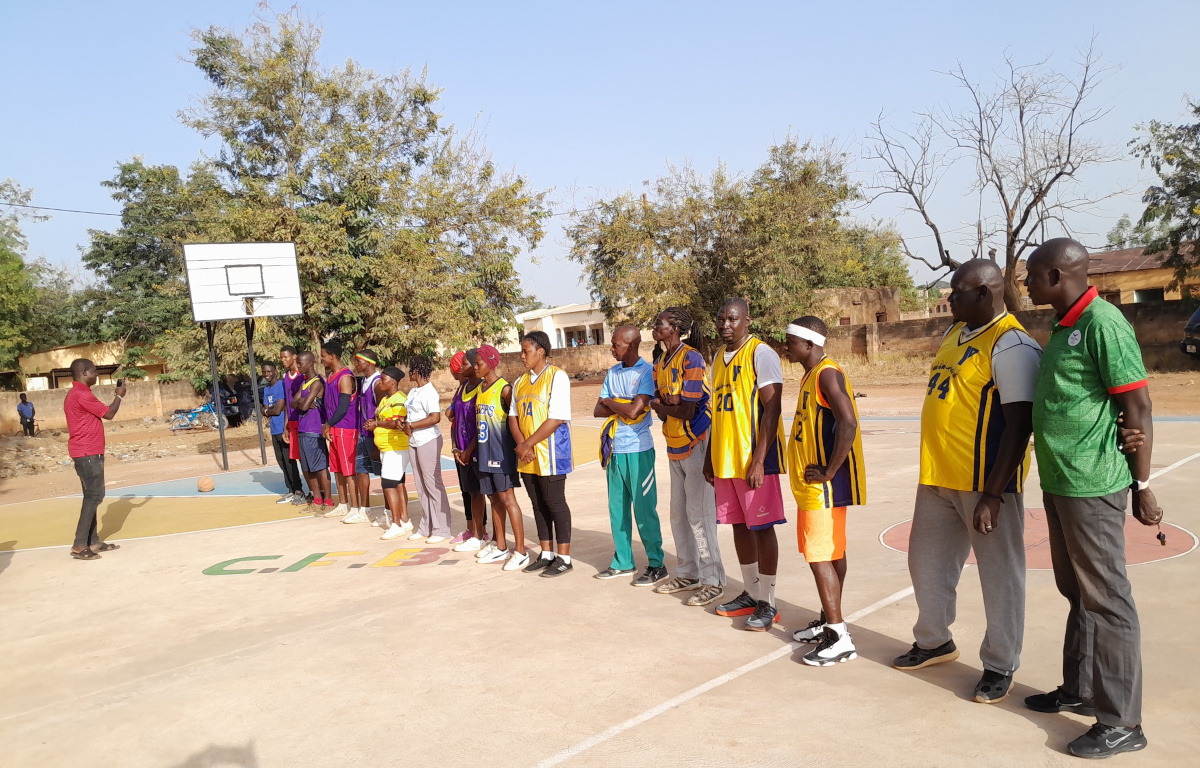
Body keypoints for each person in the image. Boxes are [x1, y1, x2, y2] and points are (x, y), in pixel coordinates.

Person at [1023, 238, 1163, 759]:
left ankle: (1123, 722)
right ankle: (1080, 690)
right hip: (1060, 482)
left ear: (1057, 275)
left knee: (1108, 601)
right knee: (1077, 592)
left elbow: (1139, 405)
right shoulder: (1065, 325)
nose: (1027, 284)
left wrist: (1143, 485)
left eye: (1032, 275)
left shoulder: (1103, 324)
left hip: (1093, 483)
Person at [892, 259, 1041, 701]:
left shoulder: (1012, 344)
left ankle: (1000, 663)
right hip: (937, 474)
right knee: (926, 563)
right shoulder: (955, 333)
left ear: (985, 293)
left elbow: (1020, 424)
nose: (949, 300)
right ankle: (935, 640)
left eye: (957, 293)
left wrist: (993, 494)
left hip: (984, 484)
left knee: (1000, 576)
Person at [782, 316, 868, 666]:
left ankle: (839, 636)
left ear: (809, 344)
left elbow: (848, 422)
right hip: (813, 487)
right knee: (830, 553)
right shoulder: (811, 374)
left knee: (820, 557)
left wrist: (830, 470)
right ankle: (826, 621)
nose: (785, 346)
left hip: (824, 488)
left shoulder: (828, 373)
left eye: (790, 341)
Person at [705, 298, 787, 631]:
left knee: (762, 527)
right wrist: (711, 455)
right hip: (726, 459)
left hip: (753, 459)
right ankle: (751, 593)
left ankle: (768, 601)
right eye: (721, 319)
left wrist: (759, 460)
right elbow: (718, 410)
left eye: (732, 319)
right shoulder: (717, 358)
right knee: (739, 525)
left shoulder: (761, 354)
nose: (725, 325)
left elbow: (773, 408)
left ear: (747, 320)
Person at [650, 307, 726, 607]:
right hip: (674, 443)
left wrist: (667, 404)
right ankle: (687, 572)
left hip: (698, 443)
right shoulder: (660, 361)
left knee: (700, 516)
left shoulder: (691, 358)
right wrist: (668, 403)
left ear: (676, 328)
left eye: (661, 324)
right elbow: (659, 402)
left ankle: (713, 580)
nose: (656, 327)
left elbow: (689, 409)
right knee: (678, 514)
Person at [594, 325, 666, 586]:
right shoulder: (612, 372)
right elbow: (596, 410)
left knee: (645, 510)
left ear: (632, 345)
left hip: (638, 450)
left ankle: (657, 564)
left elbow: (635, 411)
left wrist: (612, 402)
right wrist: (620, 406)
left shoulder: (647, 372)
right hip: (615, 449)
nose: (612, 349)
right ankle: (623, 562)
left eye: (616, 344)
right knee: (617, 509)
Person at [510, 331, 574, 578]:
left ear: (541, 352)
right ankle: (546, 553)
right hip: (527, 455)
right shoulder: (519, 382)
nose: (522, 356)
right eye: (522, 351)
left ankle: (564, 557)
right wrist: (521, 445)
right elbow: (513, 417)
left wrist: (527, 444)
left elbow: (556, 417)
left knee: (555, 503)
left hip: (551, 453)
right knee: (537, 505)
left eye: (526, 351)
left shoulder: (557, 377)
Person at [466, 344, 530, 571]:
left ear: (491, 363)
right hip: (484, 453)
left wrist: (523, 445)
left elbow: (518, 421)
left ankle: (521, 551)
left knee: (507, 499)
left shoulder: (505, 389)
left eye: (478, 363)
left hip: (501, 454)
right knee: (493, 498)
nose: (475, 367)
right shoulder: (481, 389)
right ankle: (500, 545)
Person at [63, 359, 126, 560]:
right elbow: (109, 413)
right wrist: (119, 396)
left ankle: (93, 541)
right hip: (88, 453)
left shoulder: (76, 394)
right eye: (94, 371)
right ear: (84, 372)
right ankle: (80, 544)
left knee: (91, 496)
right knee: (94, 496)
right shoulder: (81, 394)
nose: (97, 374)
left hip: (85, 452)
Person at [402, 355, 453, 543]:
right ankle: (426, 526)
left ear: (417, 371)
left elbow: (435, 417)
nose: (409, 372)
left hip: (428, 440)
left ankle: (442, 528)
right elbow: (411, 415)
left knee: (433, 484)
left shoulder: (429, 392)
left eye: (410, 369)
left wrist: (412, 425)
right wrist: (404, 423)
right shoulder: (414, 392)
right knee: (420, 485)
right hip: (414, 440)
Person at [366, 366, 414, 540]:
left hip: (396, 447)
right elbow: (384, 419)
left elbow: (398, 423)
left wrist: (376, 425)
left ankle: (396, 524)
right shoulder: (385, 399)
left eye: (383, 379)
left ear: (393, 381)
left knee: (388, 485)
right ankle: (405, 519)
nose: (380, 382)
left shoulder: (400, 399)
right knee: (398, 484)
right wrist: (374, 422)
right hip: (386, 447)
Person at [448, 350, 489, 550]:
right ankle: (476, 534)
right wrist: (456, 447)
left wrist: (469, 449)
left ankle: (489, 534)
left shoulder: (483, 388)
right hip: (462, 450)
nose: (460, 368)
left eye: (464, 364)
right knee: (472, 492)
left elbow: (481, 422)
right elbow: (454, 418)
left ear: (475, 365)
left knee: (488, 494)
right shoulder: (462, 388)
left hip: (478, 450)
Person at [319, 340, 361, 518]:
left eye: (323, 356)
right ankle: (342, 503)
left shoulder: (344, 377)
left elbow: (343, 408)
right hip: (334, 428)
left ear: (332, 356)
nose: (321, 359)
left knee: (349, 470)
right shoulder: (330, 376)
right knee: (336, 468)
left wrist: (328, 424)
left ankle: (355, 507)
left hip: (346, 428)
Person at [342, 349, 383, 526]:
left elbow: (382, 411)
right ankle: (365, 510)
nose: (356, 365)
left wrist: (377, 440)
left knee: (384, 474)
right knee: (361, 470)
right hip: (362, 433)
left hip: (375, 436)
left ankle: (389, 512)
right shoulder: (364, 381)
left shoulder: (378, 383)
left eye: (359, 361)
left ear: (369, 363)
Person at [291, 351, 333, 513]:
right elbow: (294, 403)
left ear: (309, 364)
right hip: (303, 430)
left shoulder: (317, 382)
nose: (298, 366)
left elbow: (300, 406)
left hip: (314, 430)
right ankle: (317, 501)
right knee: (308, 469)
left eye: (300, 364)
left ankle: (328, 502)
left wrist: (302, 402)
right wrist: (303, 400)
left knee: (321, 468)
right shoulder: (304, 383)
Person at [261, 362, 305, 504]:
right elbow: (265, 409)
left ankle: (298, 490)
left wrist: (268, 411)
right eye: (264, 372)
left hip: (283, 428)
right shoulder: (266, 390)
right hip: (274, 429)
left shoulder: (280, 385)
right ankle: (290, 490)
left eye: (269, 371)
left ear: (275, 371)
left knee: (289, 460)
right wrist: (268, 411)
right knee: (281, 461)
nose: (266, 374)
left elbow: (278, 409)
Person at [280, 346, 311, 506]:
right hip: (291, 422)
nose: (283, 360)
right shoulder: (286, 376)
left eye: (286, 357)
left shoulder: (303, 375)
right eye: (281, 358)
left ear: (294, 356)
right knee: (297, 458)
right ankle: (299, 491)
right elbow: (287, 402)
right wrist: (286, 424)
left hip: (304, 422)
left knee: (308, 459)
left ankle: (315, 493)